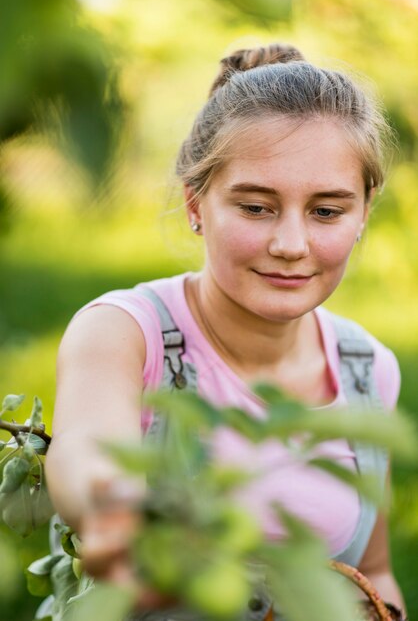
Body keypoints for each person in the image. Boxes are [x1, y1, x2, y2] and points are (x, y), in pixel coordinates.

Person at [45, 43, 407, 616]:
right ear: (196, 204)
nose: (291, 245)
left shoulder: (367, 370)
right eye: (256, 207)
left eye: (327, 211)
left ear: (363, 212)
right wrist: (113, 514)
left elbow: (375, 570)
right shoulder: (126, 333)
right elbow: (85, 447)